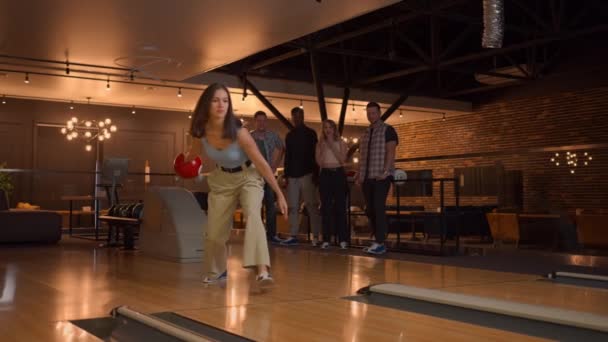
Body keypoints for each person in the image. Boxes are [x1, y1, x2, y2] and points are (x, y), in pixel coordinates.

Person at [186, 83, 288, 287]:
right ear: (206, 104)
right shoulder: (201, 133)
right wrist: (183, 163)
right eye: (215, 100)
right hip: (222, 180)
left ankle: (262, 269)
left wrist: (279, 193)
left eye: (225, 100)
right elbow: (192, 155)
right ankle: (217, 271)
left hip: (248, 176)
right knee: (214, 232)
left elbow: (261, 162)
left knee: (253, 214)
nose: (221, 105)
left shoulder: (239, 132)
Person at [356, 102, 398, 255]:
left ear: (379, 113)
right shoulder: (365, 133)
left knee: (379, 207)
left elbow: (391, 152)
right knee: (370, 209)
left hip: (382, 176)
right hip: (367, 177)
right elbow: (361, 156)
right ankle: (377, 239)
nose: (370, 115)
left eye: (373, 113)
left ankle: (381, 242)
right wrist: (359, 174)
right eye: (368, 113)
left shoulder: (388, 130)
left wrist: (386, 171)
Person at [281, 107, 322, 246]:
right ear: (292, 118)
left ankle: (316, 235)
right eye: (294, 116)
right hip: (293, 176)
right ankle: (293, 235)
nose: (297, 118)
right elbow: (288, 156)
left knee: (311, 205)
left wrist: (316, 174)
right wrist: (286, 175)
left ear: (303, 116)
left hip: (307, 174)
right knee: (293, 206)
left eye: (299, 116)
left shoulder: (311, 134)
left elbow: (315, 155)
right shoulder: (290, 135)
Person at [250, 111, 285, 244]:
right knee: (255, 205)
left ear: (266, 122)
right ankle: (257, 235)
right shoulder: (251, 136)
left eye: (263, 120)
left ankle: (271, 235)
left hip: (268, 175)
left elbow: (282, 147)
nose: (261, 123)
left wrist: (275, 165)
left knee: (270, 204)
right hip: (254, 175)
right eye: (259, 120)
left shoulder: (272, 136)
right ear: (255, 122)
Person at [315, 119, 349, 249]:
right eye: (325, 128)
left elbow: (342, 160)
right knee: (326, 207)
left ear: (334, 129)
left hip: (338, 174)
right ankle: (326, 239)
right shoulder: (319, 144)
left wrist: (331, 144)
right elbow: (320, 162)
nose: (328, 130)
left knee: (340, 207)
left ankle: (343, 239)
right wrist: (324, 146)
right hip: (325, 175)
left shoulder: (341, 143)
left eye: (330, 127)